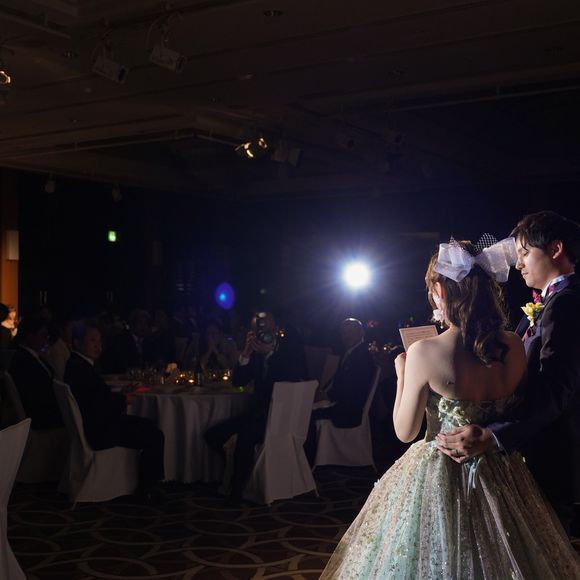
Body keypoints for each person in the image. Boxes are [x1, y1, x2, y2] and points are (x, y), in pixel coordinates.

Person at [320, 237, 580, 578]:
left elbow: (405, 432)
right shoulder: (515, 345)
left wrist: (402, 373)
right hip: (502, 471)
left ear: (440, 290)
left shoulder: (424, 352)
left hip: (440, 476)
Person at [436, 211, 580, 535]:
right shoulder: (549, 304)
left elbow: (557, 389)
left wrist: (494, 434)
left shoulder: (567, 304)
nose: (518, 264)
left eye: (525, 253)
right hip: (534, 447)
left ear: (556, 249)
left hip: (553, 452)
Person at [205, 312, 306, 505]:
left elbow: (292, 377)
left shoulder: (288, 351)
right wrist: (245, 354)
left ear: (275, 330)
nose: (262, 335)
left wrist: (269, 354)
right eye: (257, 331)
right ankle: (233, 469)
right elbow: (238, 382)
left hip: (278, 418)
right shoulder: (255, 354)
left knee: (245, 437)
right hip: (256, 415)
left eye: (266, 330)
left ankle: (237, 490)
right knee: (212, 435)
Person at [64, 320, 165, 500]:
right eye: (92, 340)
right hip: (100, 431)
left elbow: (94, 397)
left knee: (149, 426)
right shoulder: (81, 369)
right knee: (154, 433)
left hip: (95, 424)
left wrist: (119, 394)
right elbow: (95, 404)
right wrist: (123, 399)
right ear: (77, 343)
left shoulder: (77, 364)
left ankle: (148, 484)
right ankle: (147, 488)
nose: (98, 345)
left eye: (99, 340)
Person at [304, 318, 376, 464]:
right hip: (345, 405)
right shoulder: (352, 353)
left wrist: (327, 396)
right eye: (343, 332)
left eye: (350, 331)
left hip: (349, 411)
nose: (346, 335)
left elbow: (354, 389)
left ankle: (308, 461)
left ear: (361, 333)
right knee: (309, 409)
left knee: (306, 416)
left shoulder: (362, 357)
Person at [9, 316, 63, 429]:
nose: (46, 339)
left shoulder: (32, 356)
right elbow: (37, 394)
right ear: (29, 336)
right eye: (43, 335)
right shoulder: (23, 361)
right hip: (42, 416)